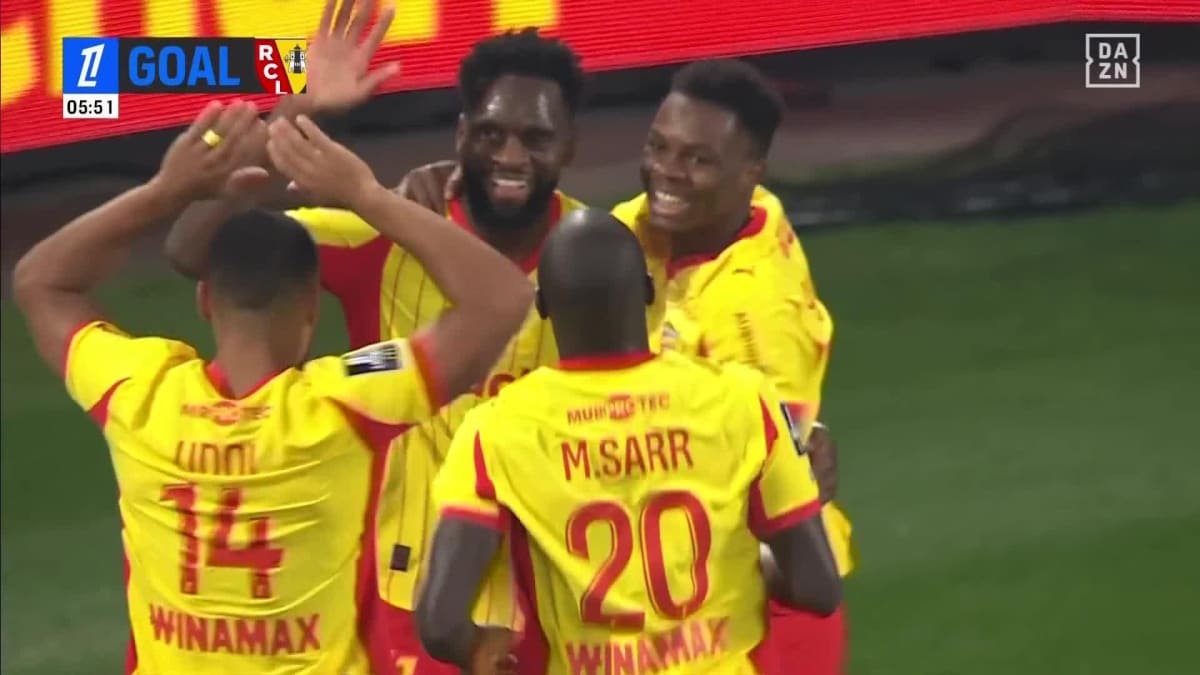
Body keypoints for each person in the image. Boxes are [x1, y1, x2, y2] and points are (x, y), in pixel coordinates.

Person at [162, 6, 615, 671]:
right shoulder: (386, 238)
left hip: (569, 585)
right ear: (461, 134)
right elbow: (193, 249)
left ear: (569, 145)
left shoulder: (604, 257)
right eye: (490, 133)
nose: (510, 156)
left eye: (535, 137)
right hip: (416, 597)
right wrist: (300, 111)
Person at [12, 100, 531, 675]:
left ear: (205, 300)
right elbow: (502, 298)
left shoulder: (140, 390)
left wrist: (165, 190)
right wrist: (366, 195)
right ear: (310, 308)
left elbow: (42, 282)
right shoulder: (344, 403)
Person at [399, 56, 853, 674]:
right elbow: (585, 251)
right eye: (660, 147)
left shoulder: (753, 317)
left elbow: (783, 514)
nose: (667, 172)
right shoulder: (681, 222)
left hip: (760, 600)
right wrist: (468, 181)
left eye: (697, 160)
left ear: (751, 171)